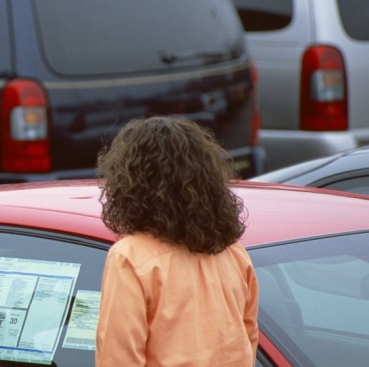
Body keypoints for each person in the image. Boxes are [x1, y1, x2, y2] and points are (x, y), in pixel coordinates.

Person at [94, 117, 259, 367]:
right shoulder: (234, 253)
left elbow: (118, 358)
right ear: (208, 180)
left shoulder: (129, 257)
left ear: (131, 183)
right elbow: (248, 344)